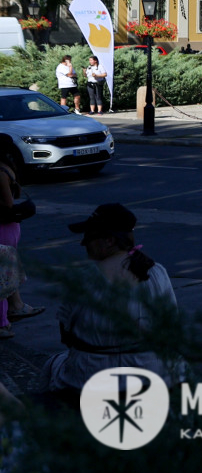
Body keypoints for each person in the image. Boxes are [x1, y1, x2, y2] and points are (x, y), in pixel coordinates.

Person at [42, 204, 177, 392]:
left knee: (52, 364)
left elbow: (66, 336)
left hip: (90, 379)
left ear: (109, 241)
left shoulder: (81, 280)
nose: (84, 243)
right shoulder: (156, 272)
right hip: (153, 375)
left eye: (89, 237)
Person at [0, 158, 43, 339]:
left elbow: (8, 202)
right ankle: (14, 309)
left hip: (3, 225)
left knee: (2, 274)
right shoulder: (7, 167)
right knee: (4, 272)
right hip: (9, 225)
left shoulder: (0, 172)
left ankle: (3, 322)